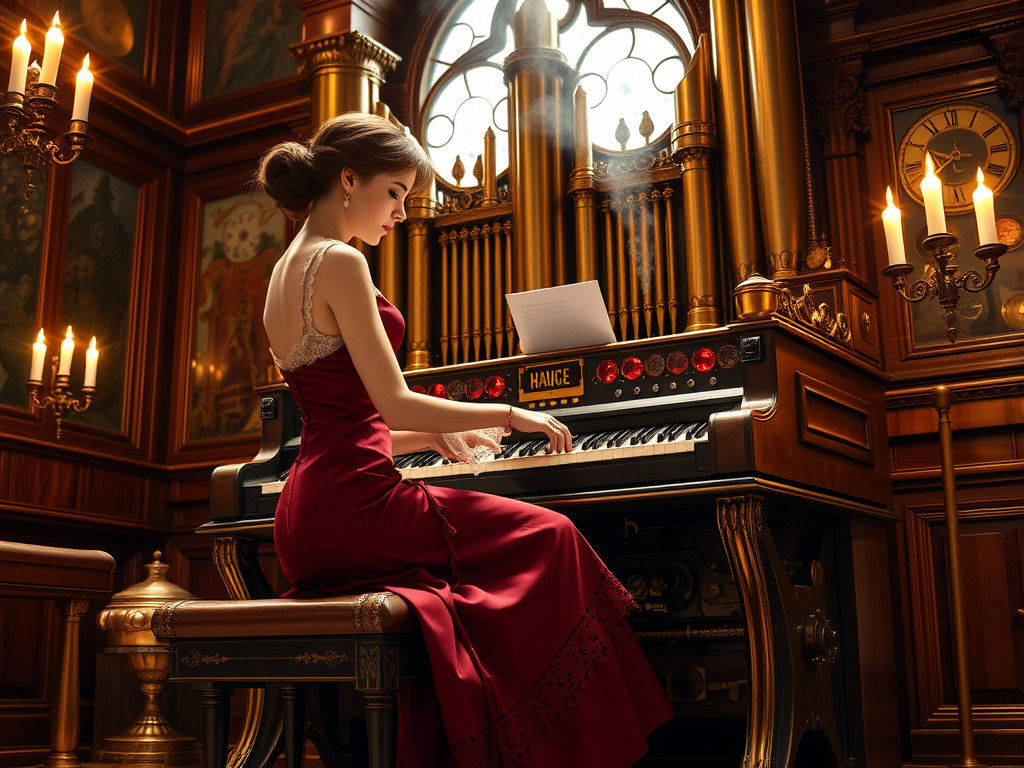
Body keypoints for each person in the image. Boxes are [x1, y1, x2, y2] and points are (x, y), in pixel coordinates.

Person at [257, 112, 673, 768]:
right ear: (347, 179)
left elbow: (343, 425)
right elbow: (388, 399)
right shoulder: (339, 261)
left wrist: (434, 437)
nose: (400, 213)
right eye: (394, 193)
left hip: (306, 517)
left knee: (476, 583)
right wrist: (511, 414)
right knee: (552, 537)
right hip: (355, 507)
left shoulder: (284, 272)